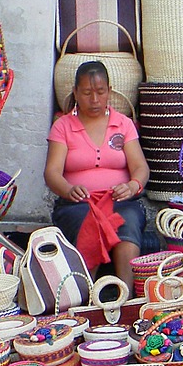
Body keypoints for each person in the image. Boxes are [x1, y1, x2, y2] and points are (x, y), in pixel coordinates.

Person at [44, 61, 150, 284]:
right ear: (75, 92)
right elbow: (52, 173)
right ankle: (86, 298)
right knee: (88, 226)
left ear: (109, 92)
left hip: (120, 201)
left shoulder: (124, 124)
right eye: (87, 93)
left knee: (128, 225)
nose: (94, 100)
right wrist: (69, 189)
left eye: (100, 92)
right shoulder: (63, 126)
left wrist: (132, 186)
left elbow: (140, 168)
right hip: (79, 204)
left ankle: (125, 298)